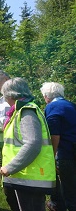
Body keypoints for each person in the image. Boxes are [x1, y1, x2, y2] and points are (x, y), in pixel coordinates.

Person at [0, 77, 56, 211]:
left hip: (30, 176)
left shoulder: (27, 112)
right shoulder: (20, 111)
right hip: (25, 175)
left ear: (11, 95)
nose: (4, 99)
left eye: (4, 95)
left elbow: (32, 144)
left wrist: (10, 167)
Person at [40, 82, 76, 211]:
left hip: (65, 153)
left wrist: (52, 153)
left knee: (69, 191)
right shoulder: (72, 105)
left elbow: (54, 134)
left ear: (46, 96)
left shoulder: (52, 107)